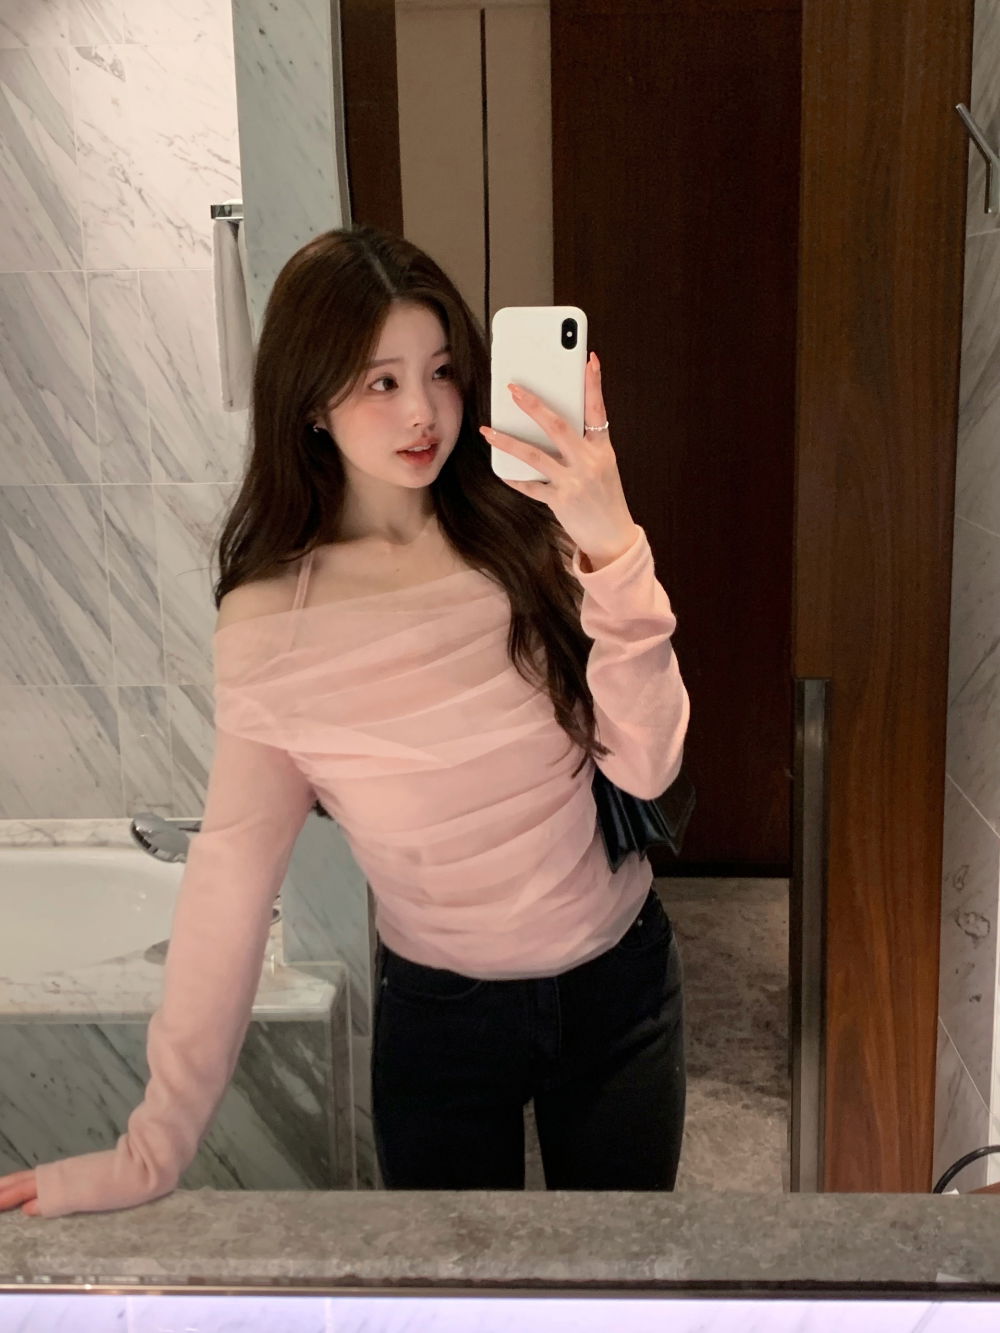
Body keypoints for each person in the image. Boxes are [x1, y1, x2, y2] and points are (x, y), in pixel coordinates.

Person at [0, 224, 690, 1219]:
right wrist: (150, 1149)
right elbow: (231, 882)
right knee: (454, 1291)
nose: (423, 411)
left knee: (629, 1278)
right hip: (442, 1018)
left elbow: (650, 766)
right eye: (381, 381)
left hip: (617, 985)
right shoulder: (273, 625)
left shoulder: (529, 531)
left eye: (441, 371)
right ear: (311, 400)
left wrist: (615, 548)